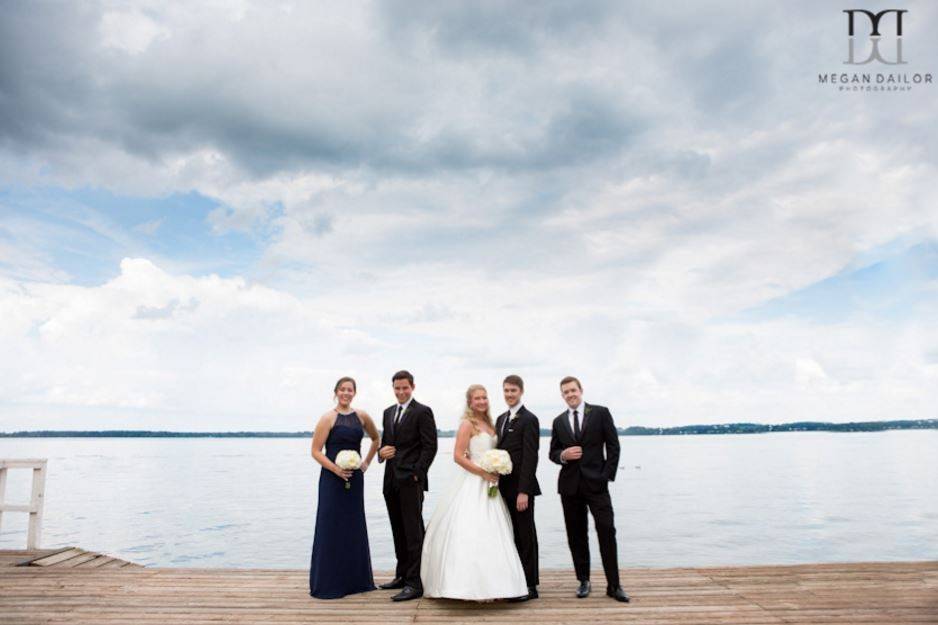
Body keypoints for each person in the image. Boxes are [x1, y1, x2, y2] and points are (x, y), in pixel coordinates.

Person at [420, 384, 529, 601]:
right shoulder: (467, 424)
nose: (481, 401)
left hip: (491, 485)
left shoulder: (492, 423)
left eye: (484, 397)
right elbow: (458, 456)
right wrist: (483, 473)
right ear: (470, 402)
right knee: (471, 529)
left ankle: (499, 586)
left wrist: (496, 469)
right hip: (474, 481)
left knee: (495, 530)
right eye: (477, 398)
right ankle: (463, 586)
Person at [549, 376, 629, 602]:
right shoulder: (558, 421)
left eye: (573, 390)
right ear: (562, 395)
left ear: (581, 390)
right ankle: (583, 580)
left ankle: (614, 585)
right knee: (576, 535)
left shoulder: (601, 413)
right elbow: (552, 452)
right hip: (569, 486)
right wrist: (563, 455)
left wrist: (606, 476)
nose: (570, 394)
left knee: (607, 531)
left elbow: (613, 446)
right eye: (565, 392)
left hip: (597, 485)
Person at [309, 376, 380, 599]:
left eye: (350, 390)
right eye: (342, 390)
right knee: (331, 525)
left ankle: (356, 581)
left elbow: (376, 439)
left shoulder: (362, 416)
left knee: (353, 524)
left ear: (354, 393)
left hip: (355, 479)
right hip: (332, 479)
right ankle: (330, 581)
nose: (346, 393)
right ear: (336, 392)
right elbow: (316, 451)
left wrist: (366, 462)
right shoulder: (327, 418)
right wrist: (336, 470)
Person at [377, 370, 438, 601]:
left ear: (412, 387)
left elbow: (429, 446)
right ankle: (401, 575)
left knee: (413, 533)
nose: (401, 392)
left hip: (411, 481)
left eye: (405, 388)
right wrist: (381, 454)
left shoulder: (423, 412)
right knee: (398, 530)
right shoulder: (388, 412)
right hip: (390, 480)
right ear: (393, 388)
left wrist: (417, 474)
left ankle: (415, 583)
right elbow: (385, 445)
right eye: (397, 388)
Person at [494, 374, 541, 601]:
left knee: (525, 534)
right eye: (506, 391)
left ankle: (531, 586)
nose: (509, 395)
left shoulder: (529, 419)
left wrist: (524, 491)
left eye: (513, 391)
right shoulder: (501, 418)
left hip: (521, 489)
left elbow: (531, 458)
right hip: (503, 487)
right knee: (510, 534)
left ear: (521, 391)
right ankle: (515, 580)